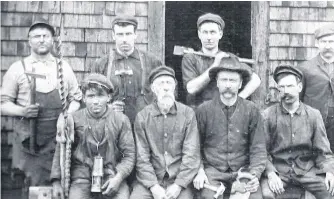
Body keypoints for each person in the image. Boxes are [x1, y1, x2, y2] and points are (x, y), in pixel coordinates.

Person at [0, 18, 82, 186]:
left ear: (52, 40)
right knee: (33, 188)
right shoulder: (17, 68)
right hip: (29, 143)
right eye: (37, 36)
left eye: (46, 35)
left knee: (59, 186)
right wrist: (22, 111)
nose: (42, 39)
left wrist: (67, 115)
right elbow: (3, 104)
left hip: (58, 141)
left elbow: (76, 99)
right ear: (29, 41)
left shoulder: (63, 67)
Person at [51, 73, 135, 199]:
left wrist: (118, 178)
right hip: (81, 178)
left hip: (111, 175)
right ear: (84, 98)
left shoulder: (121, 120)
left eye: (100, 95)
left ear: (109, 97)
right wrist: (56, 181)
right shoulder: (73, 119)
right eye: (90, 96)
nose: (95, 101)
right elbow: (60, 151)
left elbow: (129, 155)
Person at [194, 57, 266, 199]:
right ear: (217, 83)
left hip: (243, 170)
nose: (228, 85)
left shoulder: (251, 110)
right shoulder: (203, 110)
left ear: (240, 84)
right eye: (224, 80)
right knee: (208, 196)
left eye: (232, 81)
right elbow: (195, 146)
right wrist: (199, 170)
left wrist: (254, 175)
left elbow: (258, 148)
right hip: (213, 171)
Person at [261, 65, 334, 199]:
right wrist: (271, 173)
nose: (285, 91)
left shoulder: (313, 115)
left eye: (289, 86)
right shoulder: (267, 115)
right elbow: (261, 152)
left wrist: (329, 172)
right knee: (266, 194)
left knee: (330, 191)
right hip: (279, 171)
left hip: (307, 172)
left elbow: (323, 151)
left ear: (299, 88)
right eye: (281, 87)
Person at [130, 66, 200, 199]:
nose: (166, 87)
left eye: (169, 83)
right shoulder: (143, 117)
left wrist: (179, 185)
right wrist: (153, 186)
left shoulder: (187, 114)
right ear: (153, 88)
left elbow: (191, 154)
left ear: (175, 87)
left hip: (179, 180)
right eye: (160, 83)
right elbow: (141, 157)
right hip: (150, 180)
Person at [92, 15, 162, 124]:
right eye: (120, 34)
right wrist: (107, 108)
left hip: (144, 127)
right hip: (111, 125)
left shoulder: (152, 62)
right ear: (113, 35)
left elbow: (167, 92)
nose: (124, 39)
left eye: (128, 34)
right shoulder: (101, 65)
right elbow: (91, 98)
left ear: (135, 34)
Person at [181, 13, 261, 108]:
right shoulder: (190, 58)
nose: (209, 37)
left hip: (224, 112)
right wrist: (216, 65)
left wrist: (239, 99)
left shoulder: (228, 58)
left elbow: (256, 80)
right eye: (205, 32)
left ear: (220, 34)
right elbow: (191, 89)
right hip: (198, 113)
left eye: (212, 32)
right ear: (199, 34)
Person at [297, 24, 334, 151]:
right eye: (324, 42)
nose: (328, 46)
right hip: (314, 122)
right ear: (317, 43)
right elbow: (298, 99)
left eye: (331, 41)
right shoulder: (305, 68)